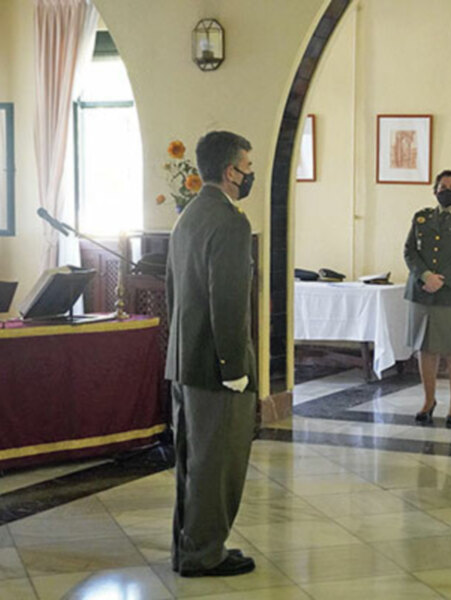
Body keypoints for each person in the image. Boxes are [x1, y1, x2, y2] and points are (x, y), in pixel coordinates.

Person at [166, 131, 258, 577]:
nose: (249, 173)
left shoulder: (188, 216)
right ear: (230, 171)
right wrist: (234, 368)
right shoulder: (230, 221)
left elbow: (173, 294)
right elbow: (229, 301)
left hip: (186, 359)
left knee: (193, 460)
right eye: (247, 165)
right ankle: (204, 554)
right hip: (216, 367)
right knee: (216, 464)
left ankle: (192, 547)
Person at [404, 170, 451, 428]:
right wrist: (426, 275)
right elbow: (409, 251)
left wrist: (442, 279)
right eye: (443, 186)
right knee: (426, 348)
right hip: (423, 291)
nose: (447, 190)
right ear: (435, 190)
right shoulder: (422, 217)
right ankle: (428, 401)